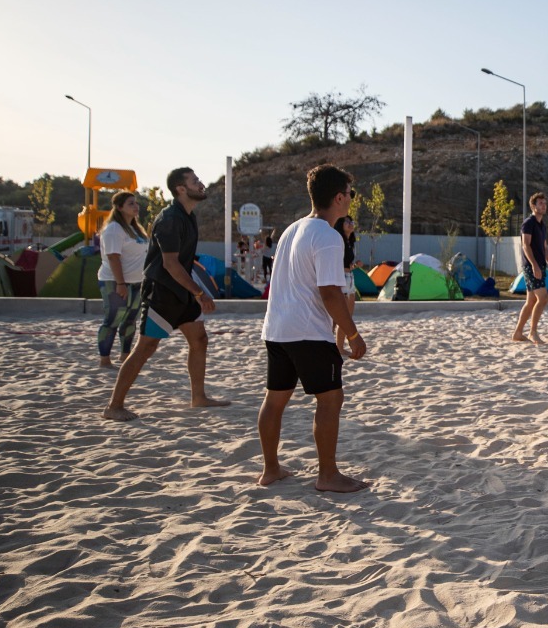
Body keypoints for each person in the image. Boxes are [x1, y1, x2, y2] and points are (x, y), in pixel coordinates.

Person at [256, 165, 371, 492]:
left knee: (274, 400)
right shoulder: (328, 236)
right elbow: (331, 294)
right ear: (338, 197)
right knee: (331, 399)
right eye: (351, 194)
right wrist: (353, 334)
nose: (351, 199)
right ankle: (328, 475)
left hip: (277, 329)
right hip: (308, 331)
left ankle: (271, 469)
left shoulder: (292, 229)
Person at [102, 168, 231, 420]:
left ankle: (198, 397)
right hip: (162, 292)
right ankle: (114, 406)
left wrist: (193, 290)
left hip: (181, 291)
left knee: (199, 340)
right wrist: (199, 293)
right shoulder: (170, 218)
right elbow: (170, 264)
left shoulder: (188, 215)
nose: (201, 184)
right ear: (181, 189)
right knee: (146, 347)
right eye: (195, 181)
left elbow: (182, 263)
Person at [96, 190, 148, 367]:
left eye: (136, 203)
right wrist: (120, 283)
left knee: (130, 320)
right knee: (113, 319)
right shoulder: (113, 229)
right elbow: (113, 257)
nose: (136, 206)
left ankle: (125, 356)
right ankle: (104, 359)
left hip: (137, 282)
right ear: (119, 208)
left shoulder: (136, 229)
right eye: (131, 203)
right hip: (115, 281)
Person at [512, 192, 548, 344]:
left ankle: (518, 333)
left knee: (531, 301)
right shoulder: (528, 223)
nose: (544, 206)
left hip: (539, 266)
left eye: (545, 203)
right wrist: (534, 265)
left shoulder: (542, 225)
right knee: (543, 299)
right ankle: (533, 332)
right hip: (531, 266)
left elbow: (544, 248)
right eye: (540, 203)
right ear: (533, 206)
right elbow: (525, 245)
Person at [334, 213, 360, 352]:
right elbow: (335, 262)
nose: (350, 223)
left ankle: (339, 347)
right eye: (346, 222)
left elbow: (347, 263)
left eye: (351, 221)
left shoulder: (350, 242)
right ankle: (336, 347)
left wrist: (355, 266)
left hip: (350, 277)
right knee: (340, 317)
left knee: (348, 316)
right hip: (341, 278)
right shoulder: (339, 241)